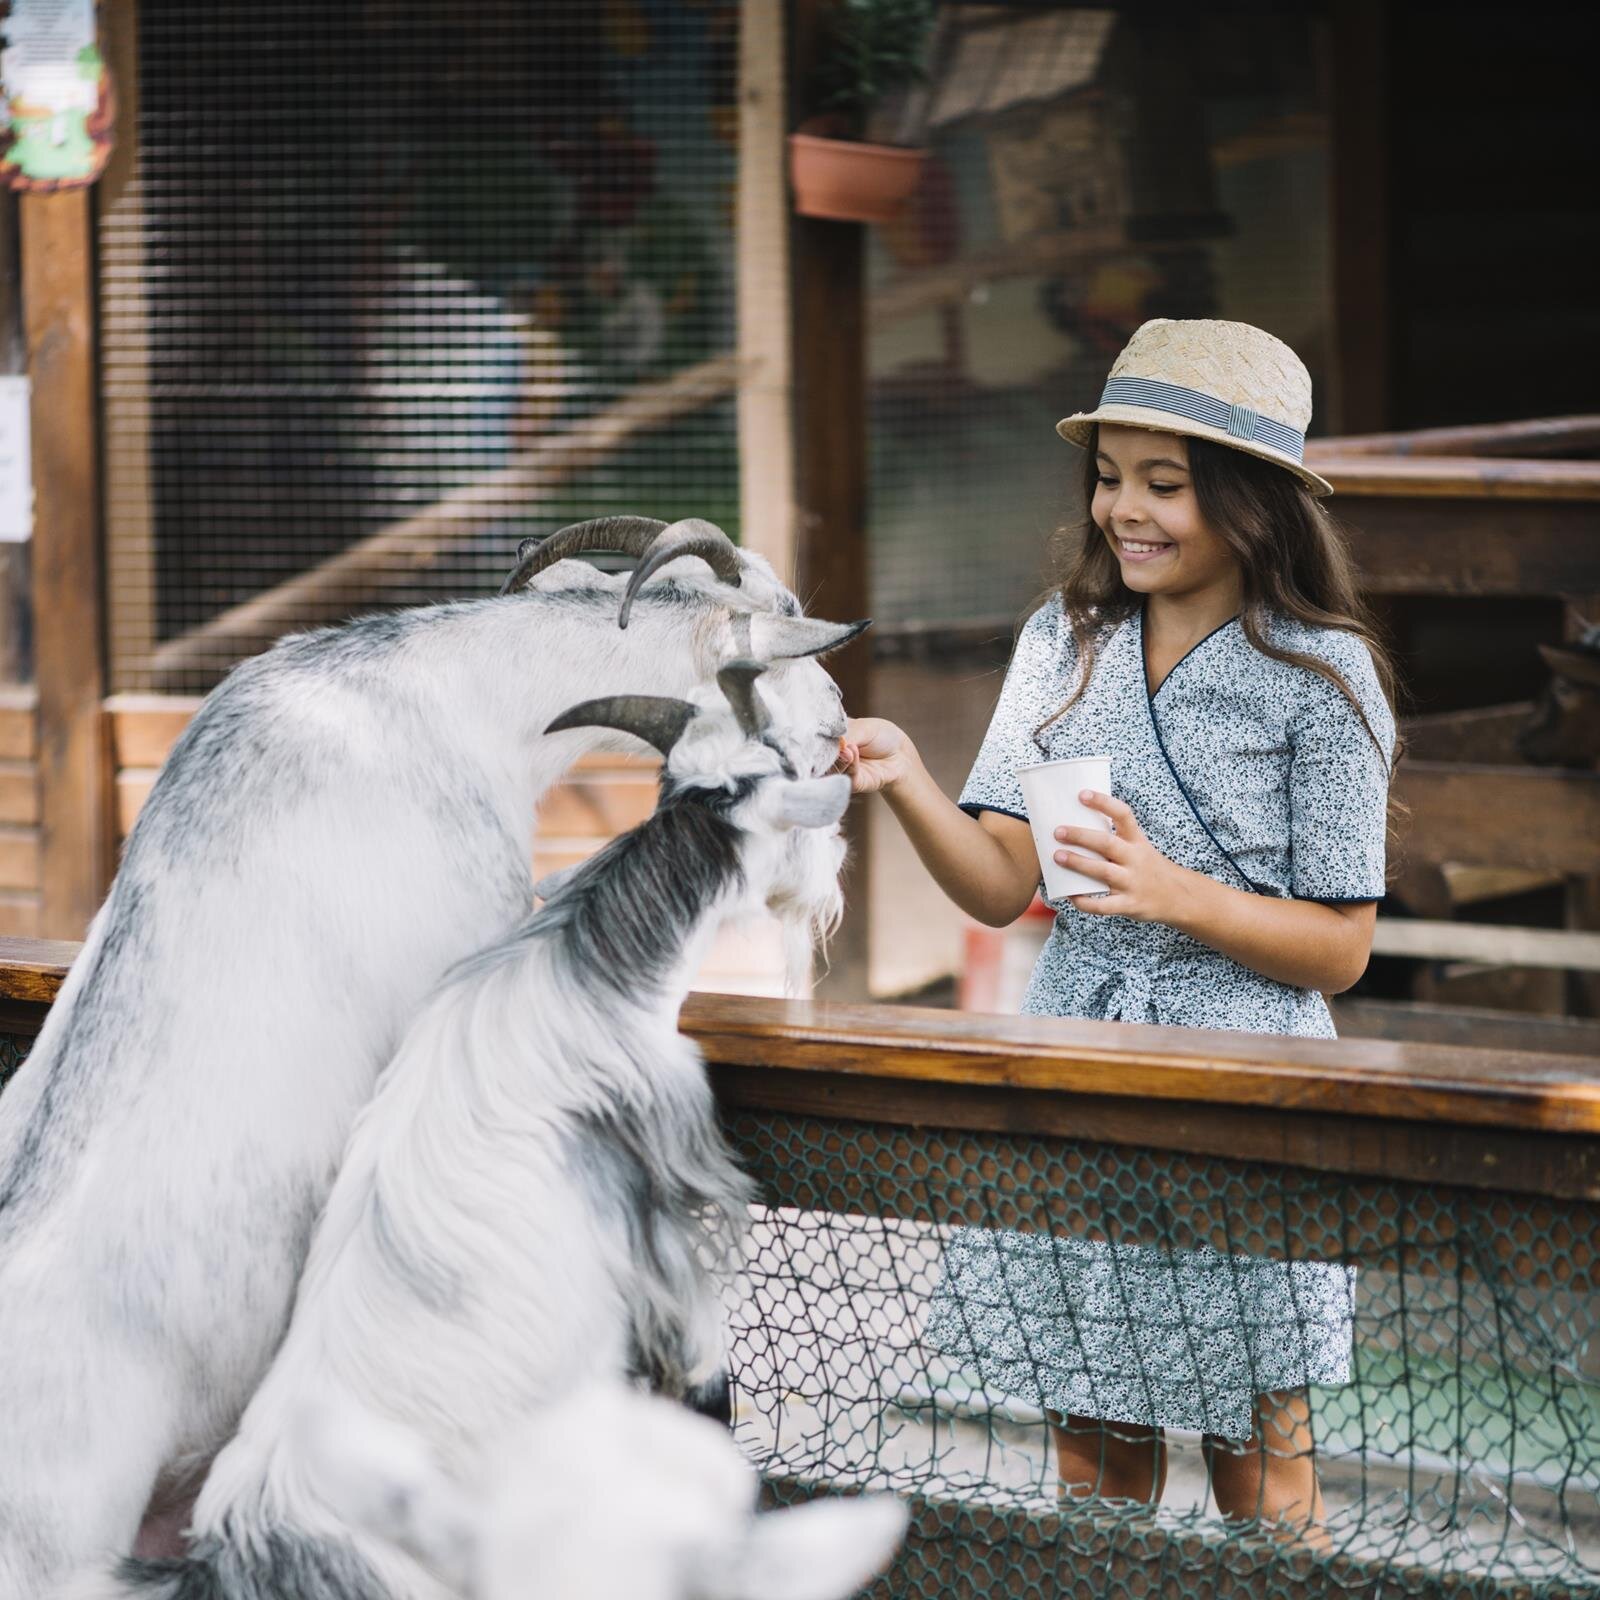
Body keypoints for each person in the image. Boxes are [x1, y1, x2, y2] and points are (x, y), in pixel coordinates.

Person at [837, 319, 1398, 1531]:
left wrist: (1174, 891)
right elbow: (999, 882)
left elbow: (1343, 945)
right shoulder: (1064, 641)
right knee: (1093, 1453)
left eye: (1163, 483)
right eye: (1107, 478)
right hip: (1076, 1051)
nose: (1122, 511)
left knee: (1258, 1461)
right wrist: (905, 783)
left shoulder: (1326, 675)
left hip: (1246, 1079)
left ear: (1251, 501)